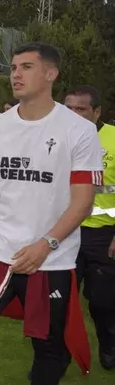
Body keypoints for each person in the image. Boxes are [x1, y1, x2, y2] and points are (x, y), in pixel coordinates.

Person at [0, 43, 102, 385]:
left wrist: (47, 243)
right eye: (14, 67)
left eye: (27, 67)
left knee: (48, 344)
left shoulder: (78, 130)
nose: (16, 74)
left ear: (51, 74)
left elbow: (83, 202)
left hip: (50, 258)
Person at [64, 84, 115, 370]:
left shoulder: (113, 139)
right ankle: (55, 357)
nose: (74, 114)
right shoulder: (55, 139)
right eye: (69, 108)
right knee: (58, 299)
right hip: (64, 232)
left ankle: (109, 347)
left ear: (97, 112)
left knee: (101, 301)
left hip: (103, 235)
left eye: (81, 109)